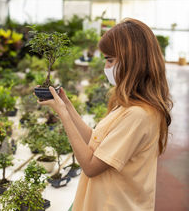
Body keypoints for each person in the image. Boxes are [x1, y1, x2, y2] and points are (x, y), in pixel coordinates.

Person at [37, 18, 173, 211]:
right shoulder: (130, 105)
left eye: (110, 60)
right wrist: (66, 106)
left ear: (132, 61)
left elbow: (91, 166)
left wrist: (63, 115)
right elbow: (95, 142)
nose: (106, 67)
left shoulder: (139, 115)